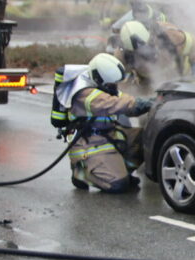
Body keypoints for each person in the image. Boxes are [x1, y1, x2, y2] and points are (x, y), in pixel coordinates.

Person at [54, 53, 153, 193]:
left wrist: (149, 100)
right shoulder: (84, 94)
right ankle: (81, 173)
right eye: (111, 83)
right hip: (90, 146)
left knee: (146, 136)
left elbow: (123, 100)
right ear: (99, 78)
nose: (114, 86)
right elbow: (116, 104)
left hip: (108, 136)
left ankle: (121, 170)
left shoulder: (102, 86)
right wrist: (142, 104)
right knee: (118, 185)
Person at [117, 19, 195, 90]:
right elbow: (120, 82)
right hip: (151, 89)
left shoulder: (171, 36)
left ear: (151, 37)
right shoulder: (123, 56)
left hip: (184, 80)